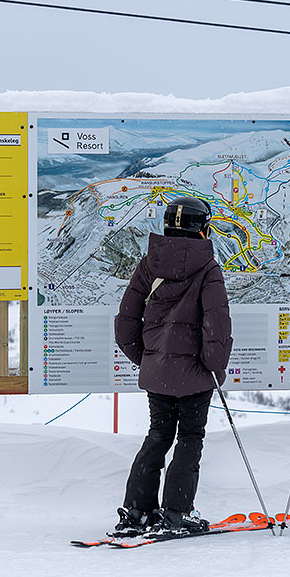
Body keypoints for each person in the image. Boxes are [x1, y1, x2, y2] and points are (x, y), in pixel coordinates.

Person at [112, 195, 233, 534]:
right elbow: (217, 325)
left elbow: (125, 325)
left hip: (158, 375)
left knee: (158, 435)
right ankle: (177, 512)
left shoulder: (148, 264)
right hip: (197, 375)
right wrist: (214, 367)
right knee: (190, 438)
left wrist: (150, 359)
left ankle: (137, 510)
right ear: (203, 229)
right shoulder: (208, 269)